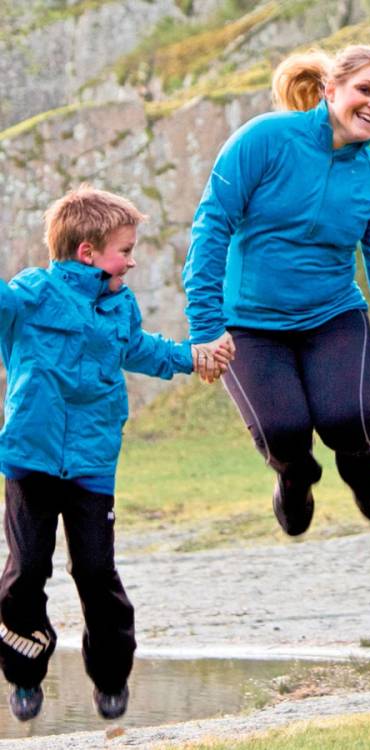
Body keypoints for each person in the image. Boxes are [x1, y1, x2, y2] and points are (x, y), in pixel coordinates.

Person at [183, 46, 370, 536]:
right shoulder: (264, 139)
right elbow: (211, 226)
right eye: (364, 90)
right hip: (249, 323)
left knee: (346, 421)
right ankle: (295, 478)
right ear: (331, 90)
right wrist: (205, 326)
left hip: (331, 317)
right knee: (283, 433)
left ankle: (364, 468)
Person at [0, 185, 229, 722]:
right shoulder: (33, 294)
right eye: (124, 250)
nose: (131, 259)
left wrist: (192, 356)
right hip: (30, 461)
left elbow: (140, 349)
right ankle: (25, 671)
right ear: (87, 251)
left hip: (92, 465)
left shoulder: (118, 304)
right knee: (26, 572)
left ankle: (110, 677)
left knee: (96, 572)